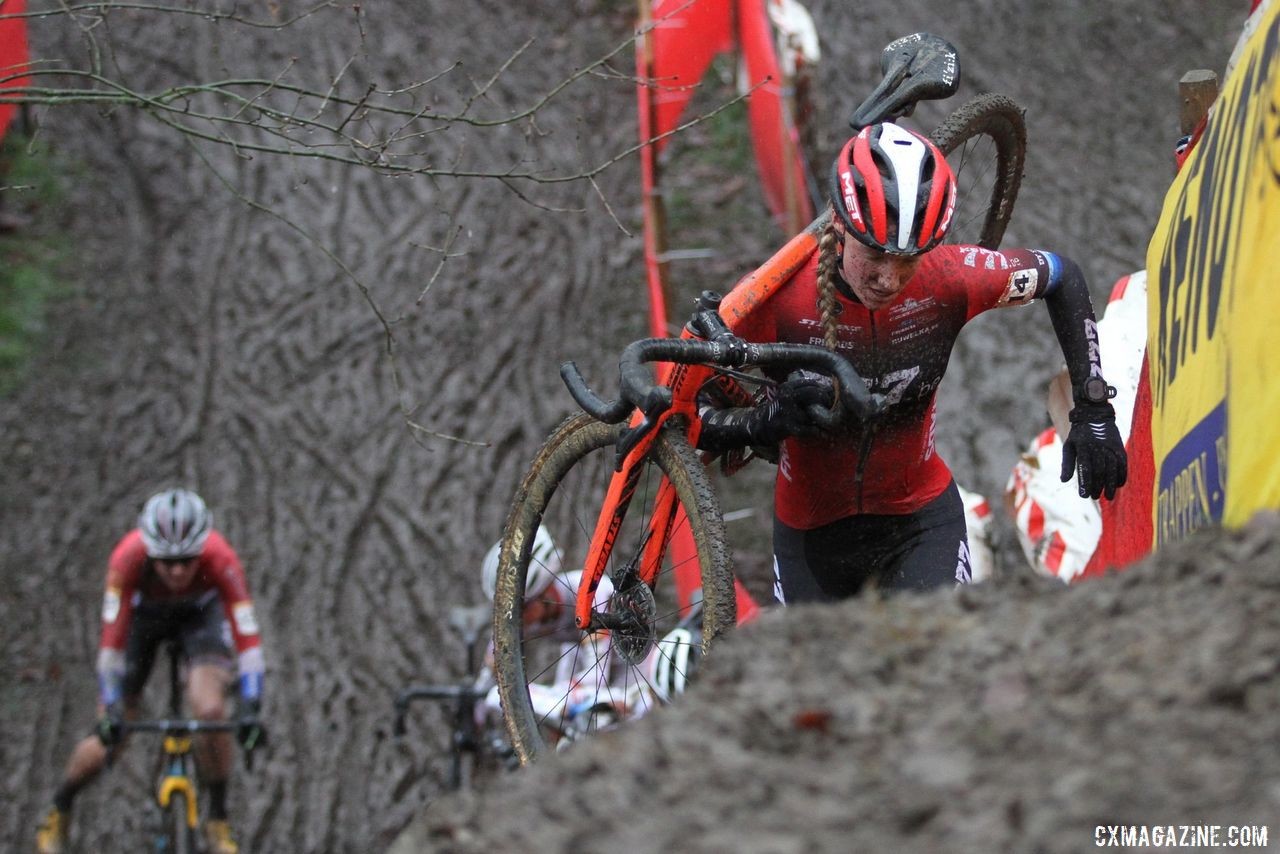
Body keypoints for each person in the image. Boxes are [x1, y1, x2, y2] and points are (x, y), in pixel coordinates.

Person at [697, 122, 1128, 602]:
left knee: (940, 666)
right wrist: (767, 421)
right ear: (838, 225)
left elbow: (1061, 276)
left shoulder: (950, 279)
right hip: (810, 542)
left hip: (921, 521)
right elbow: (689, 417)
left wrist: (1093, 408)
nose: (889, 277)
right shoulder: (775, 298)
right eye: (876, 253)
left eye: (910, 258)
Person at [35, 489, 265, 854]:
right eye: (166, 561)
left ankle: (218, 818)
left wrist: (252, 705)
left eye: (187, 560)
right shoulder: (127, 559)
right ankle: (61, 806)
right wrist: (110, 706)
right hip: (143, 618)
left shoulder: (222, 559)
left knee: (209, 710)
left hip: (200, 616)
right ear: (150, 552)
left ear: (201, 550)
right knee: (113, 733)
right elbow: (110, 649)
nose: (176, 571)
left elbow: (248, 640)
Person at [476, 526, 657, 741]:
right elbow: (489, 672)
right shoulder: (526, 616)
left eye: (522, 610)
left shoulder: (592, 593)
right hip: (595, 678)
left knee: (566, 707)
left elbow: (595, 678)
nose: (518, 620)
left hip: (639, 682)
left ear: (544, 591)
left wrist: (549, 699)